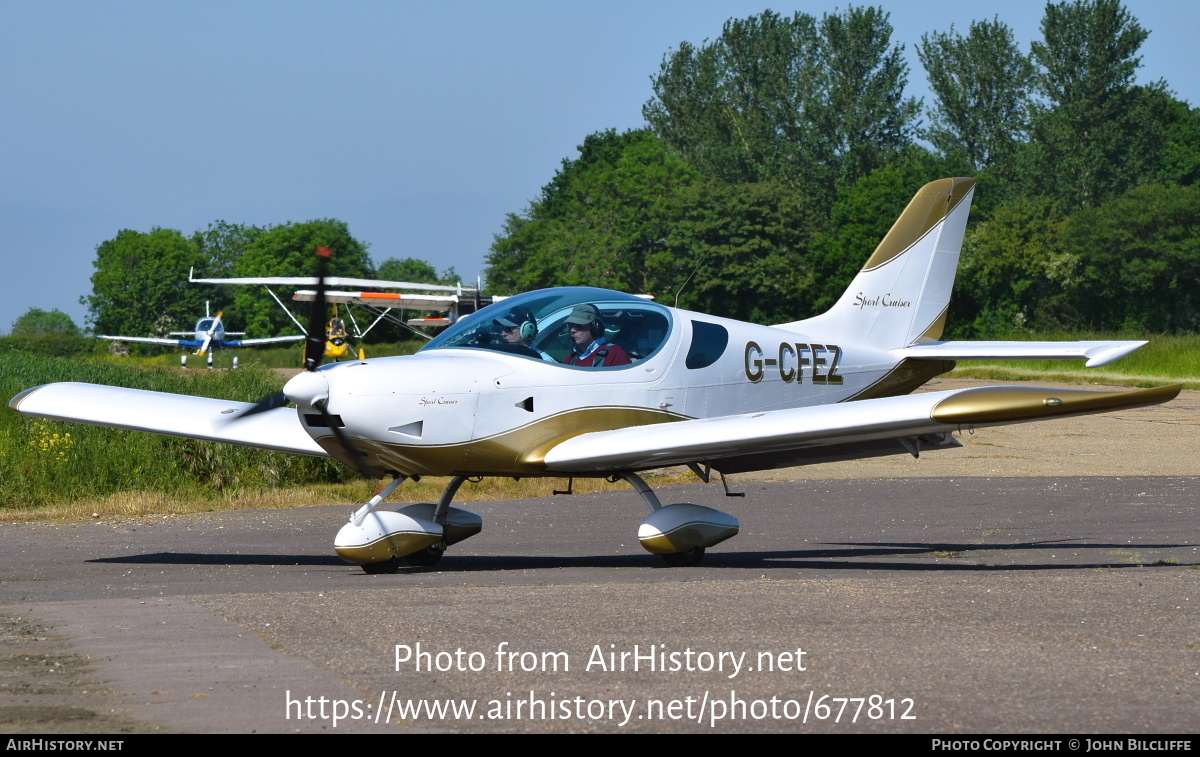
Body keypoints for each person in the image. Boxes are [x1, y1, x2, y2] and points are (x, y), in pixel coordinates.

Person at [560, 304, 631, 367]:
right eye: (571, 325)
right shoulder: (571, 359)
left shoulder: (615, 355)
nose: (572, 330)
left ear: (595, 327)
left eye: (579, 325)